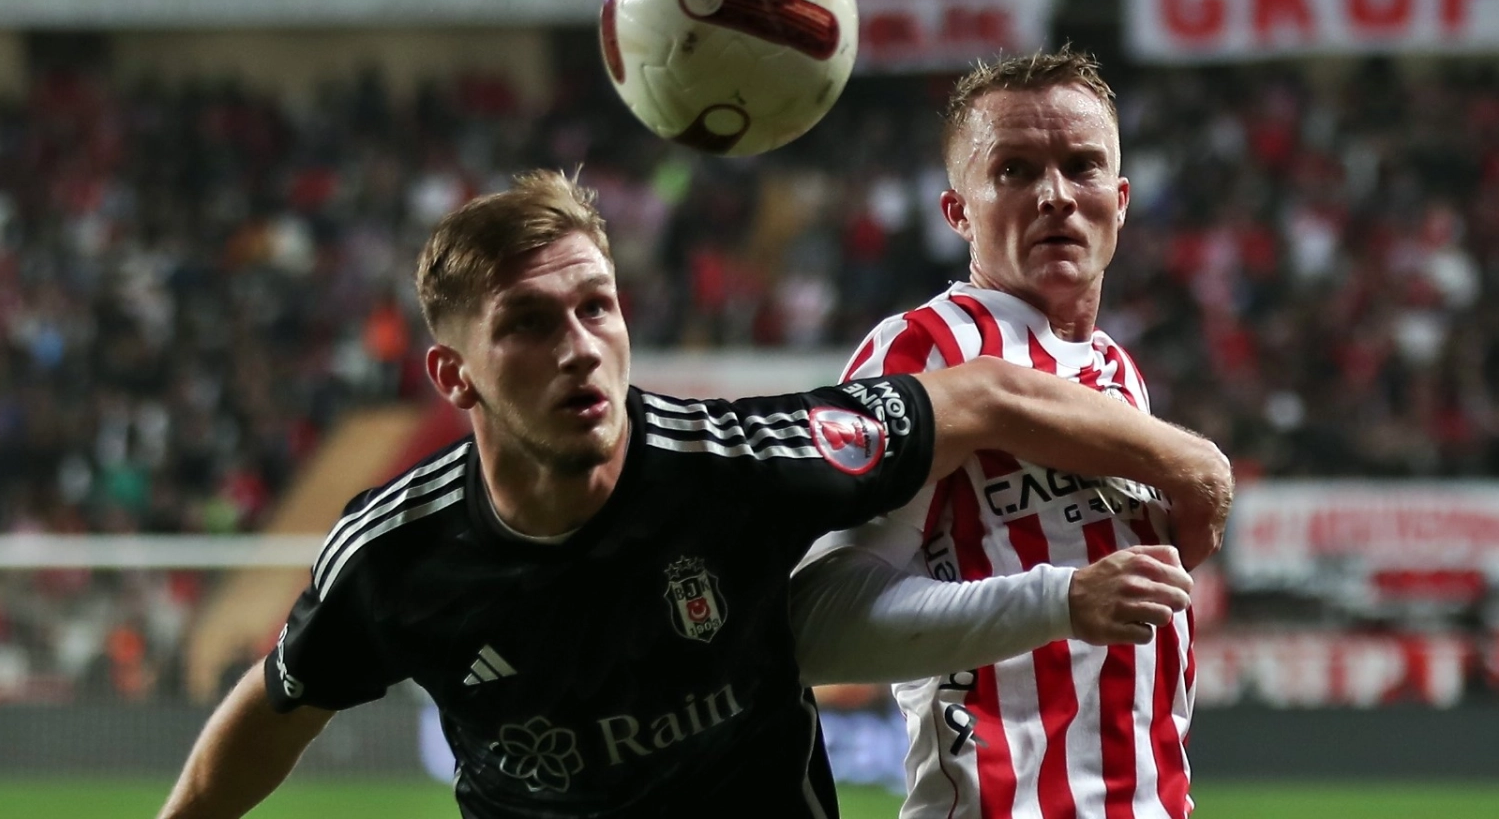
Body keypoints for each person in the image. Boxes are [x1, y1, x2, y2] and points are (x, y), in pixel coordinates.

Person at [157, 168, 1227, 819]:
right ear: (455, 376)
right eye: (528, 324)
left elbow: (983, 394)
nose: (580, 347)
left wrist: (1185, 463)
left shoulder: (739, 465)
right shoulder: (393, 556)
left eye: (597, 308)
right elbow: (277, 708)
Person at [793, 47, 1223, 818]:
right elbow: (820, 627)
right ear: (957, 212)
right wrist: (1062, 598)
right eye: (1015, 171)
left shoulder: (1118, 373)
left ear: (1121, 200)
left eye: (1083, 167)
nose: (1056, 196)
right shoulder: (923, 351)